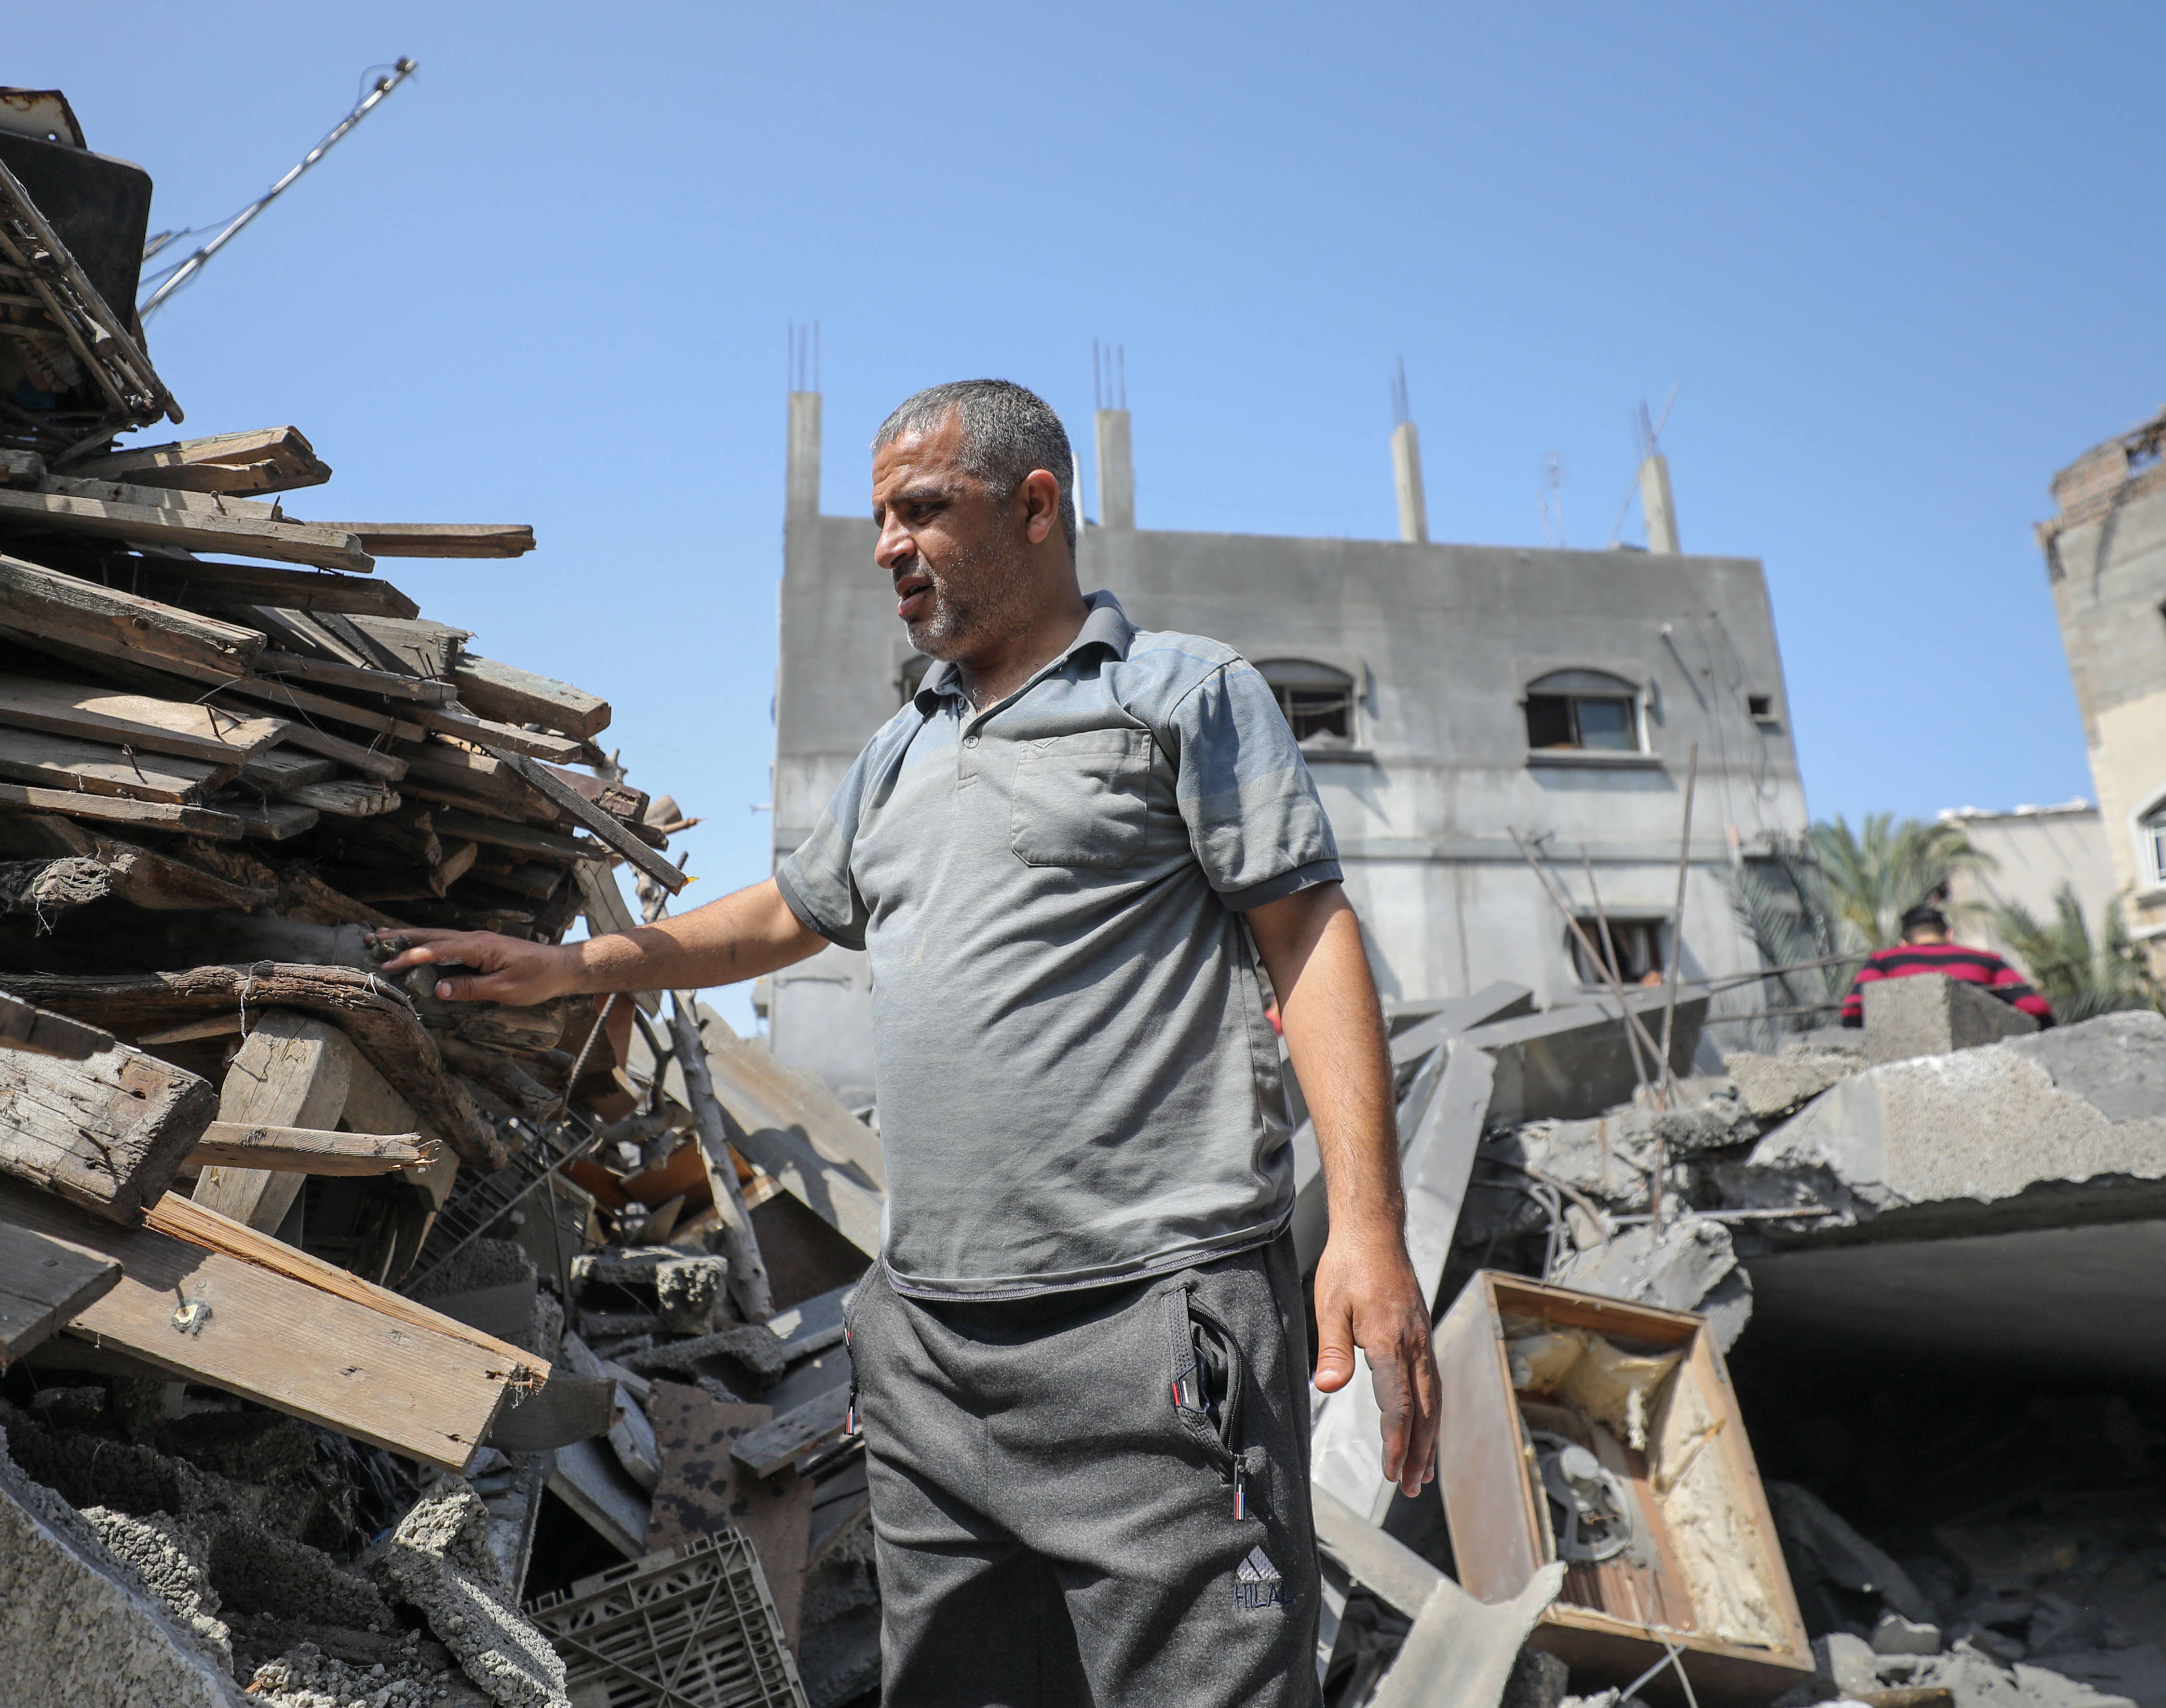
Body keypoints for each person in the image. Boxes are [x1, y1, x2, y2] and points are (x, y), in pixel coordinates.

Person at [374, 379, 1435, 1708]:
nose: (888, 543)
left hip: (1148, 1327)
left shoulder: (1177, 695)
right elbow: (780, 916)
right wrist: (576, 961)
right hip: (936, 1350)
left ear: (1035, 506)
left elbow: (1309, 933)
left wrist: (1370, 1231)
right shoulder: (901, 750)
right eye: (881, 515)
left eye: (923, 508)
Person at [1838, 903, 2056, 1027]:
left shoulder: (1883, 960)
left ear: (1903, 943)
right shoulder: (1988, 960)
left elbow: (1853, 1011)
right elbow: (2036, 1008)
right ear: (1949, 935)